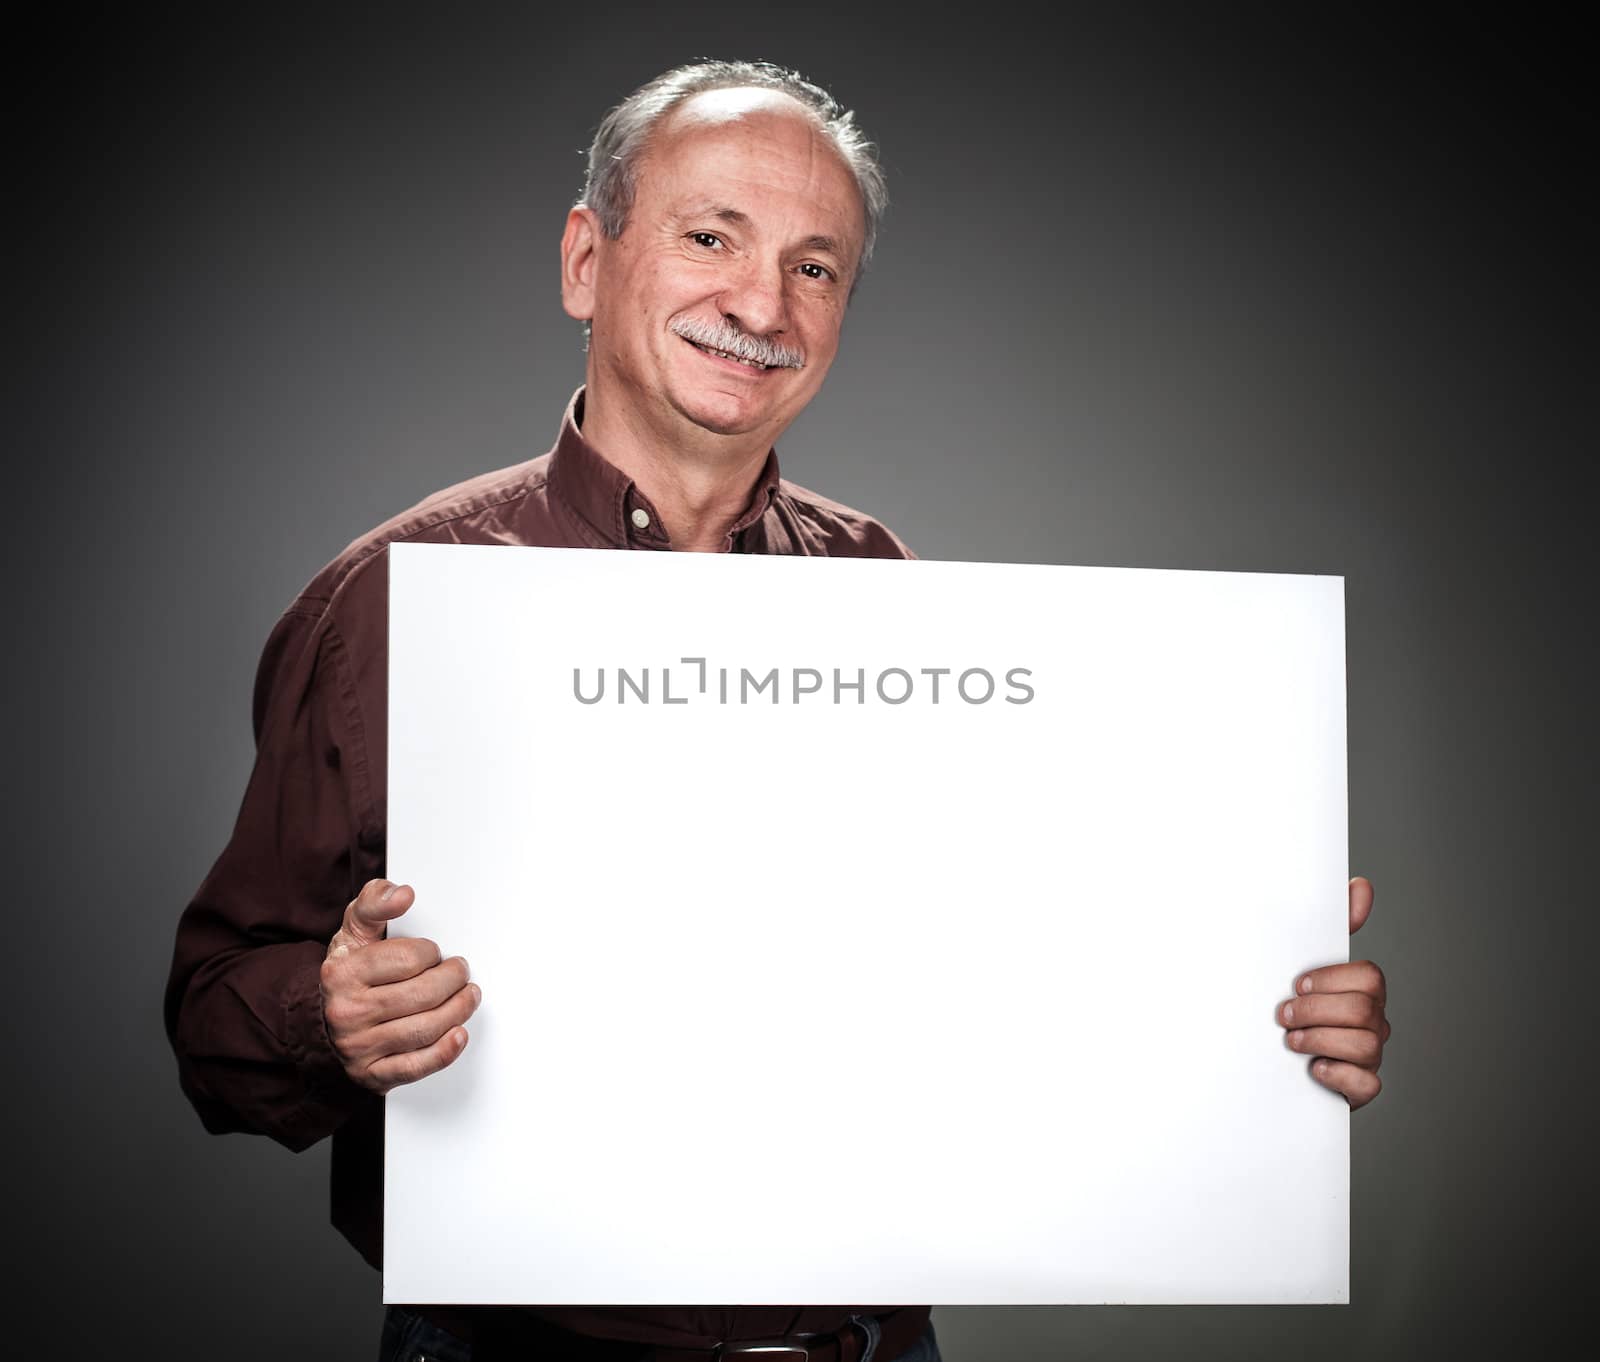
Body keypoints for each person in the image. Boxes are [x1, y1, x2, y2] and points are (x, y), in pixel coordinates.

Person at [163, 59, 1390, 1362]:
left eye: (816, 267)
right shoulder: (388, 605)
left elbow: (1020, 947)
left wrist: (1265, 1004)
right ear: (589, 260)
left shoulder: (890, 592)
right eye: (711, 237)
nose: (761, 303)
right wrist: (333, 1012)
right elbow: (214, 1013)